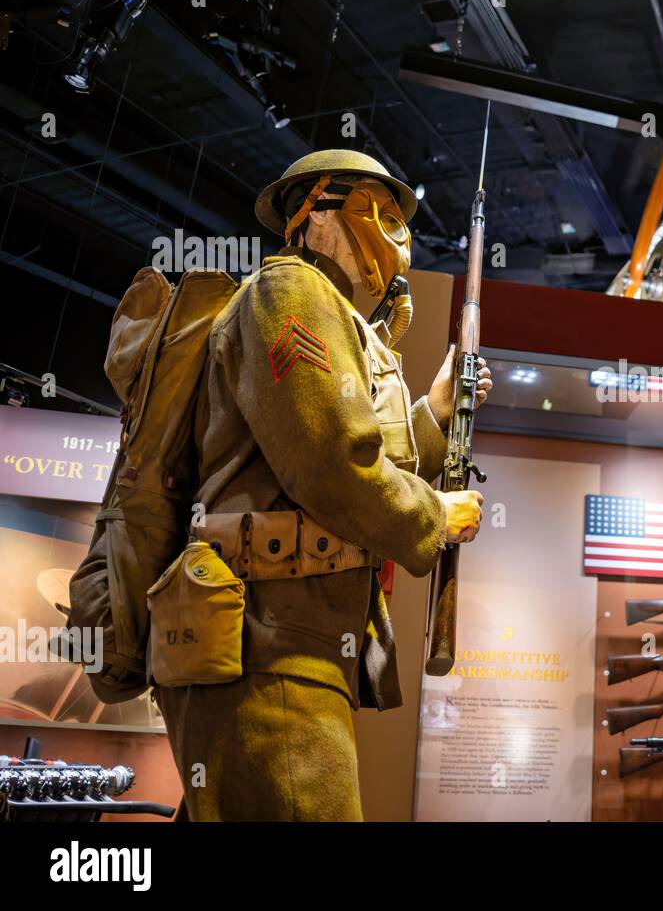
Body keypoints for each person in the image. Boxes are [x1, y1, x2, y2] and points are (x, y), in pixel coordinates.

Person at [153, 150, 490, 820]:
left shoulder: (338, 317)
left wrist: (436, 413)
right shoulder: (289, 292)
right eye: (380, 211)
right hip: (270, 643)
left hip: (293, 641)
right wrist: (433, 517)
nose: (394, 233)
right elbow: (330, 467)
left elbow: (364, 456)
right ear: (315, 209)